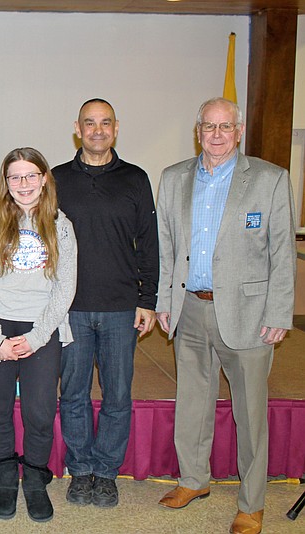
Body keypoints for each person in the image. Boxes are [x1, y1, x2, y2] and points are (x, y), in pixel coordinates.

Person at [156, 97, 296, 534]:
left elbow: (282, 253)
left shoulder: (270, 179)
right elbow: (166, 250)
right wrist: (164, 300)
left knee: (250, 413)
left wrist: (279, 311)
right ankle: (193, 480)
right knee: (192, 402)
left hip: (250, 314)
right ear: (198, 131)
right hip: (190, 308)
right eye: (208, 127)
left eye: (225, 127)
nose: (216, 134)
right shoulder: (174, 178)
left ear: (238, 131)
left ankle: (252, 503)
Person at [53, 98, 159, 508]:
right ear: (77, 129)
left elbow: (149, 243)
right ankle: (80, 471)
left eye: (105, 123)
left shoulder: (135, 178)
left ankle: (106, 471)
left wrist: (147, 299)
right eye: (89, 123)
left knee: (117, 396)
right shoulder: (57, 178)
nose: (97, 130)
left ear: (117, 128)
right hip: (71, 308)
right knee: (74, 393)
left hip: (120, 307)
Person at [0, 147, 77, 523]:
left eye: (31, 175)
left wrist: (38, 336)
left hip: (41, 329)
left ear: (44, 178)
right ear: (6, 182)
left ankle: (34, 479)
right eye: (15, 177)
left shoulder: (61, 225)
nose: (24, 184)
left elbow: (66, 287)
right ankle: (6, 477)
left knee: (40, 412)